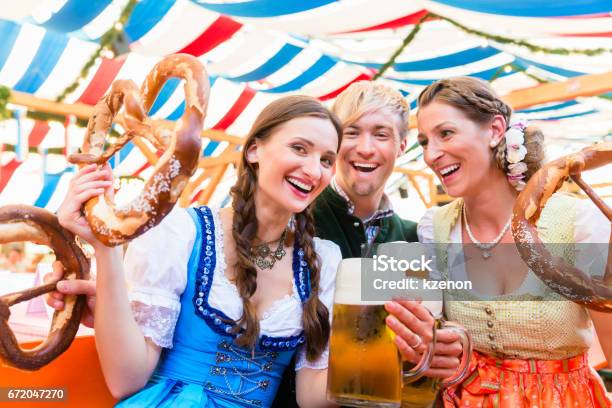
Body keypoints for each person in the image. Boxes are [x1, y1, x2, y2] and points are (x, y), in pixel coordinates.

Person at [54, 95, 344, 407]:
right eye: (299, 148)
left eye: (327, 160)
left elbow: (312, 398)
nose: (314, 171)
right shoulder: (179, 231)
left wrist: (391, 352)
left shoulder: (324, 260)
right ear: (254, 149)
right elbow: (126, 380)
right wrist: (105, 248)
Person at [415, 76, 611, 407]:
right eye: (422, 142)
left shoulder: (578, 224)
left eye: (445, 133)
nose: (431, 154)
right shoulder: (434, 230)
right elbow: (425, 343)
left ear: (494, 130)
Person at [273, 81, 464, 407]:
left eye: (381, 134)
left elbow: (432, 334)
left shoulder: (417, 237)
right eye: (352, 132)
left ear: (401, 145)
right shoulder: (292, 220)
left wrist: (446, 343)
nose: (365, 148)